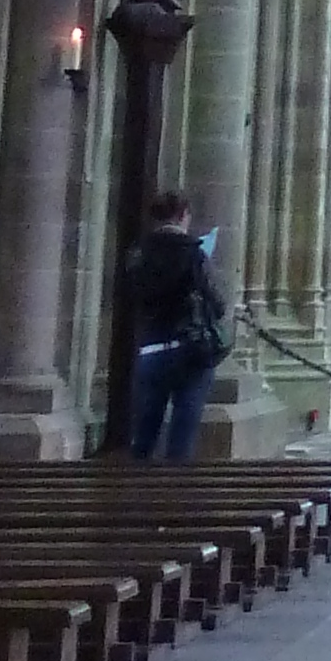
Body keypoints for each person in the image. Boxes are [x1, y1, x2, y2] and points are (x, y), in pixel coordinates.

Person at [123, 188, 225, 459]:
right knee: (182, 436)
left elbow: (131, 295)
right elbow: (216, 303)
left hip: (150, 348)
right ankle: (173, 494)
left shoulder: (138, 253)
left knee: (144, 436)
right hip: (189, 351)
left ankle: (134, 494)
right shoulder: (193, 253)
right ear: (183, 216)